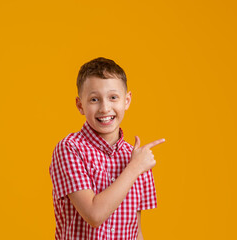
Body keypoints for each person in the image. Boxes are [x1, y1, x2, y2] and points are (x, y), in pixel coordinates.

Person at [49, 57, 165, 240]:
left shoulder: (135, 156)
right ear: (80, 105)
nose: (105, 108)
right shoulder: (70, 148)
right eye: (94, 99)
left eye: (113, 97)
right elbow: (94, 215)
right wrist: (134, 168)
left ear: (126, 101)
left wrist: (136, 165)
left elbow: (137, 231)